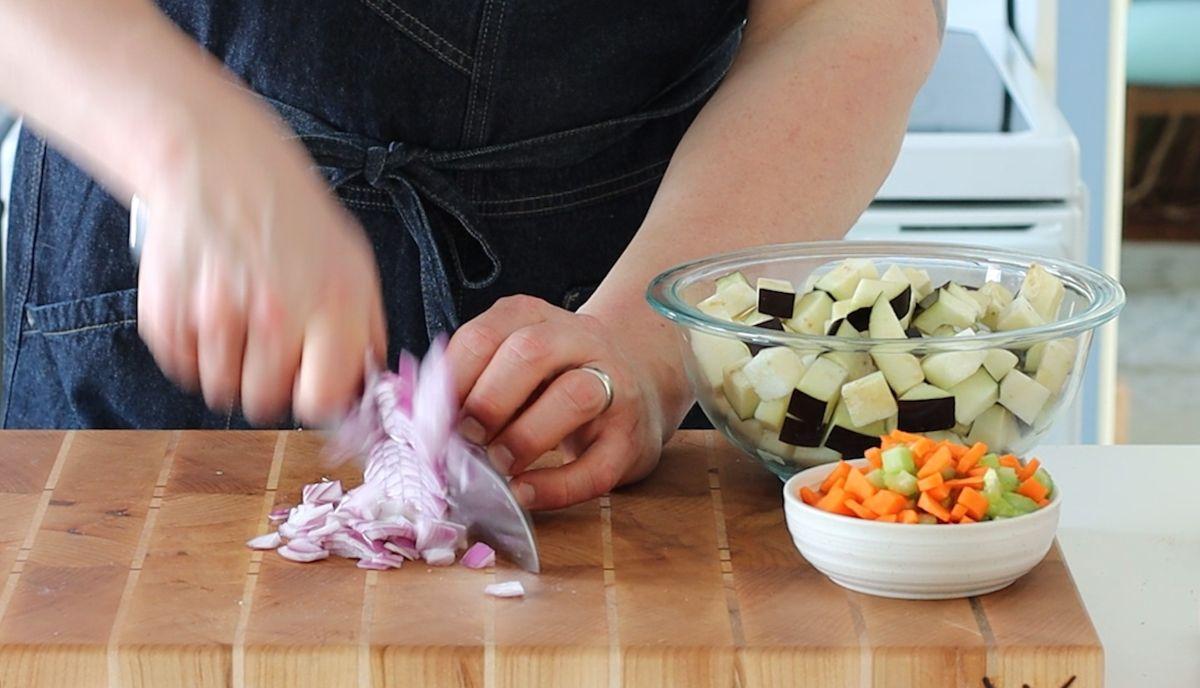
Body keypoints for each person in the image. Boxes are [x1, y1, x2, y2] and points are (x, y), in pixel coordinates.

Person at [0, 0, 944, 510]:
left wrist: (654, 343)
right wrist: (179, 138)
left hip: (624, 281)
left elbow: (851, 15)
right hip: (151, 275)